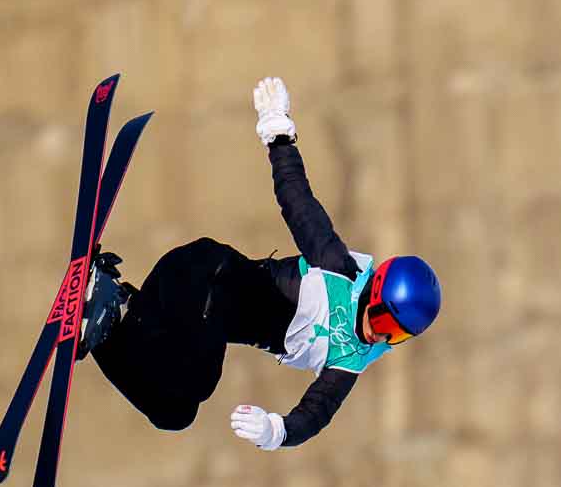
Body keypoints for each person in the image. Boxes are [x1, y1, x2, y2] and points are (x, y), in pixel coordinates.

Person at [81, 77, 441, 451]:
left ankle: (103, 322)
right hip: (203, 273)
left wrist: (279, 431)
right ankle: (108, 306)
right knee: (196, 381)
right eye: (384, 323)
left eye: (395, 337)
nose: (380, 337)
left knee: (174, 413)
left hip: (187, 314)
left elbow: (316, 413)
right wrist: (277, 130)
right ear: (374, 293)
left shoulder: (350, 358)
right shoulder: (338, 268)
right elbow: (299, 205)